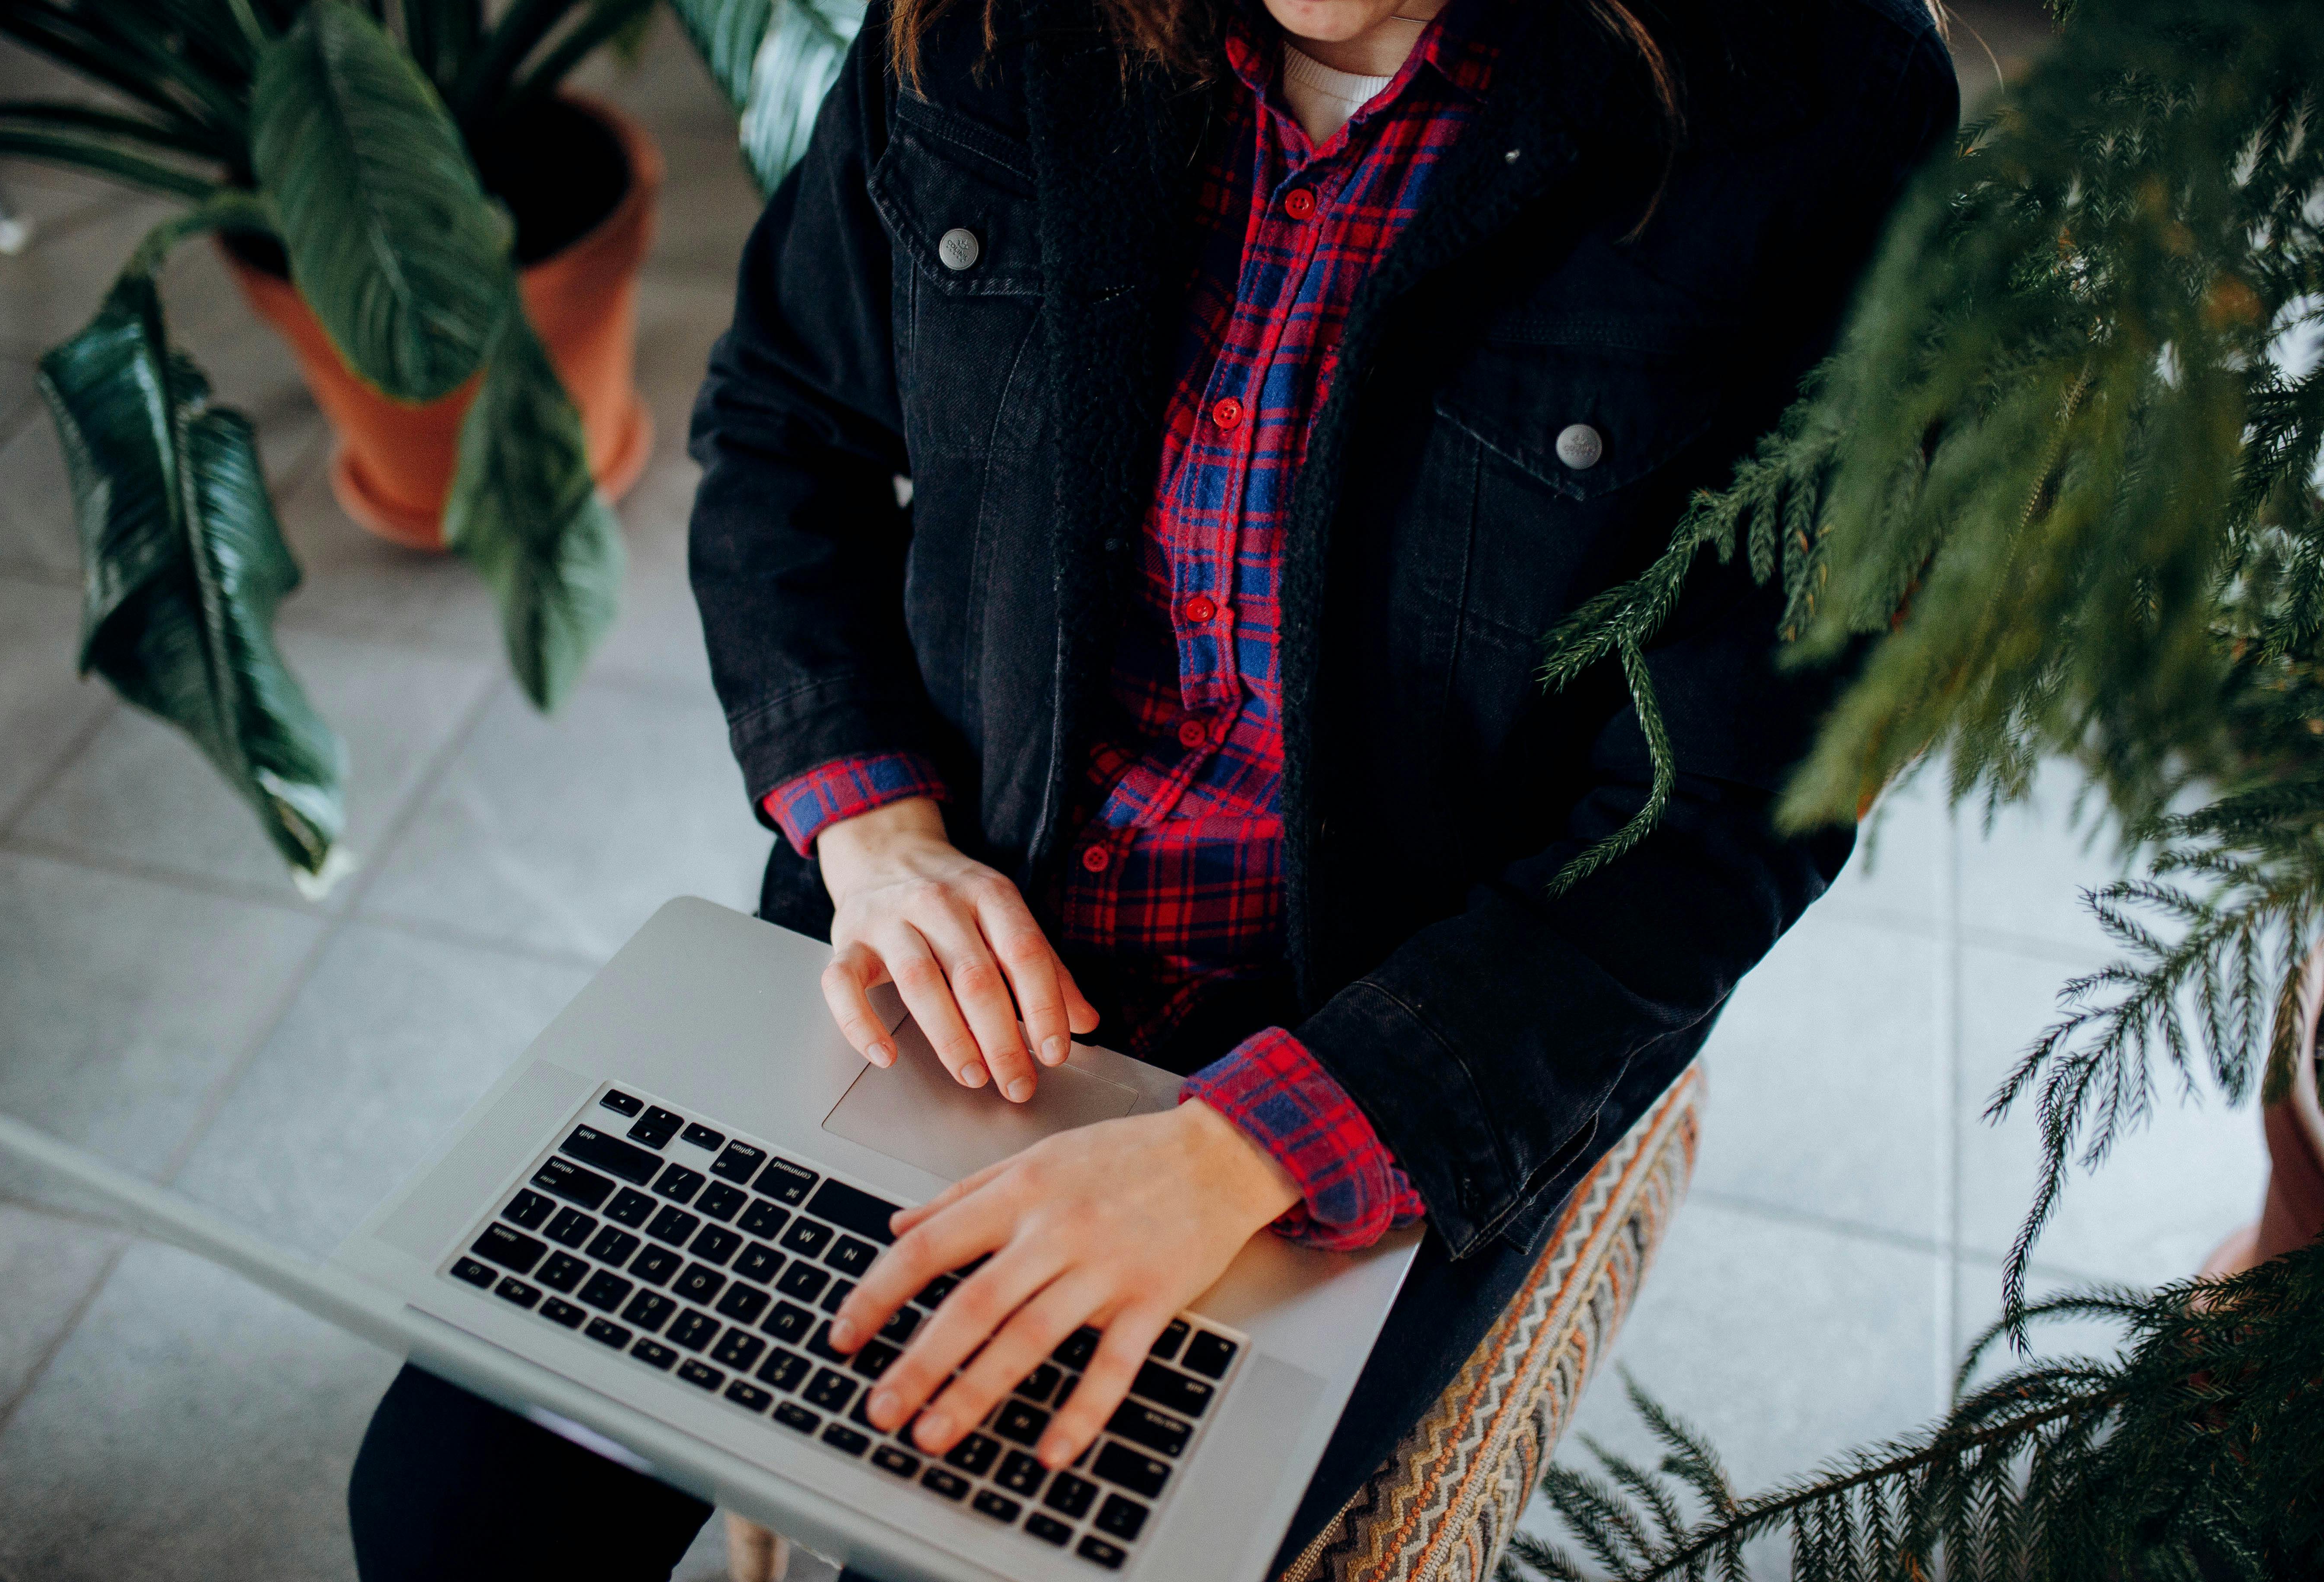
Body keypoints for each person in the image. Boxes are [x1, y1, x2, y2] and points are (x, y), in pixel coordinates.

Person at [345, 0, 1957, 1573]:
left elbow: (1716, 817)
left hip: (1370, 1037)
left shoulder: (1813, 100)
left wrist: (1237, 1155)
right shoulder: (985, 24)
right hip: (949, 929)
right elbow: (787, 427)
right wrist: (878, 835)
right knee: (448, 1523)